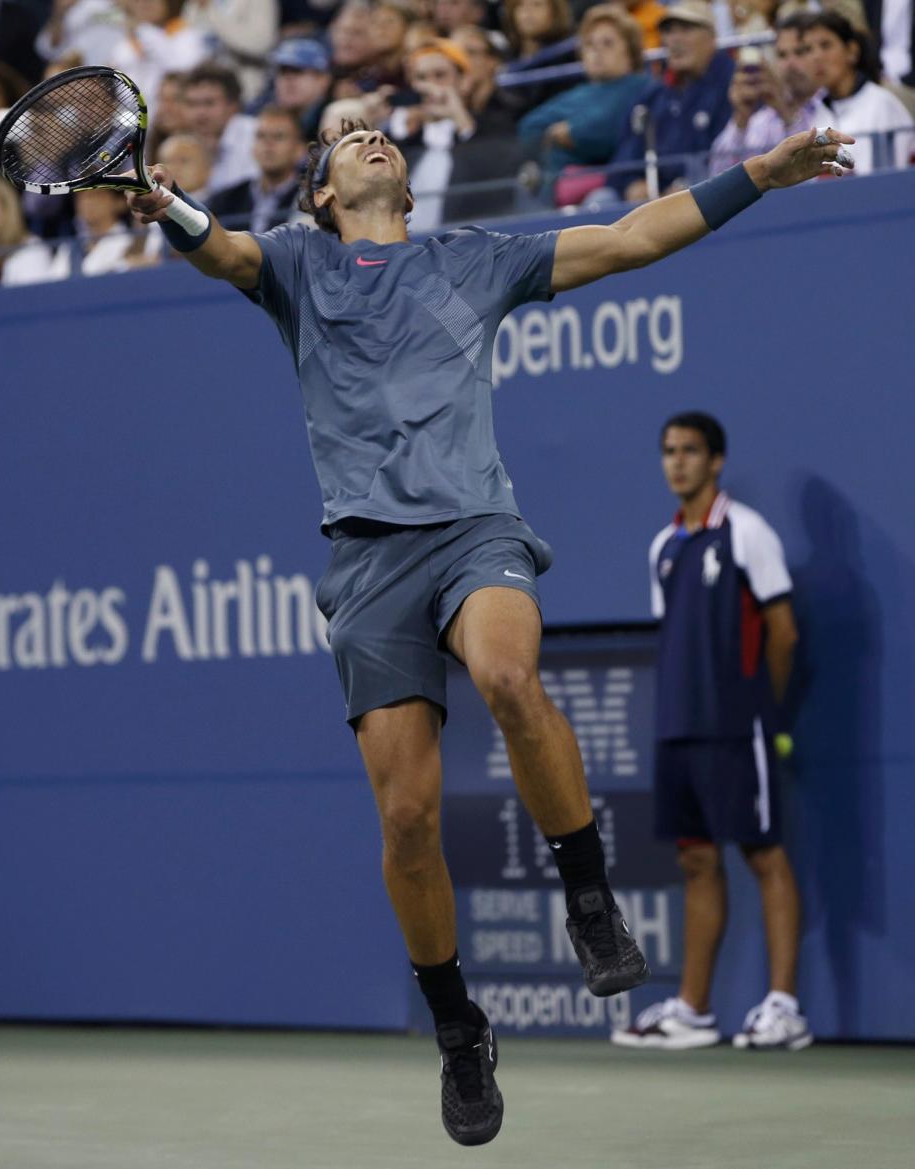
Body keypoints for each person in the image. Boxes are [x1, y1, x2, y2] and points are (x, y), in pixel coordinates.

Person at [124, 110, 852, 1144]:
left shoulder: (476, 259)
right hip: (369, 562)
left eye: (383, 133)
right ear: (324, 193)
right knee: (410, 819)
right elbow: (223, 247)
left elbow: (635, 234)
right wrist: (174, 209)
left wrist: (761, 175)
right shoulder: (292, 264)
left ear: (411, 190)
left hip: (474, 528)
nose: (372, 136)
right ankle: (460, 1024)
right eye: (349, 138)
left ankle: (588, 892)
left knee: (511, 677)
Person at [611, 412, 811, 1052]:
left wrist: (765, 715)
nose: (677, 462)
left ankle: (785, 1008)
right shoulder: (662, 548)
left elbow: (783, 634)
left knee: (763, 854)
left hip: (737, 725)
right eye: (668, 451)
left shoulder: (748, 533)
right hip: (678, 728)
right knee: (697, 860)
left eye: (690, 451)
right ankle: (694, 1011)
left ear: (716, 460)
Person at [385, 38, 526, 231]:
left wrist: (461, 120)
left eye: (440, 76)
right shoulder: (402, 137)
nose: (430, 86)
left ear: (464, 82)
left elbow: (498, 177)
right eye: (421, 78)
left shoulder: (494, 124)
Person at [609, 0, 735, 201]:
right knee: (600, 200)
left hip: (712, 197)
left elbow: (731, 156)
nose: (674, 40)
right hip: (653, 203)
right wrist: (631, 183)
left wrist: (689, 183)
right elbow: (624, 159)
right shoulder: (653, 95)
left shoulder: (734, 83)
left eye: (686, 29)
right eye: (668, 31)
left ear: (711, 36)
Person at [518, 6, 653, 178]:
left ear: (630, 51)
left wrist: (568, 132)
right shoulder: (578, 92)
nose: (596, 51)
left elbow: (604, 134)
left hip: (614, 185)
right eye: (589, 44)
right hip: (558, 185)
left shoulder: (642, 87)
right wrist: (565, 135)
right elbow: (529, 127)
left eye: (608, 43)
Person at [709, 13, 832, 171]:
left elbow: (815, 170)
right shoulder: (762, 119)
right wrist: (741, 119)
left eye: (800, 52)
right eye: (782, 55)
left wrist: (785, 113)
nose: (790, 63)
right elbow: (718, 174)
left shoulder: (833, 105)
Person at [802, 9, 914, 171]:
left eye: (825, 45)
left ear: (852, 51)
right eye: (808, 49)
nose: (816, 56)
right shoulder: (817, 112)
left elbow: (890, 180)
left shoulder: (881, 104)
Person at [209, 107, 306, 231]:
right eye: (261, 136)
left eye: (278, 137)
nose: (268, 144)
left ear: (299, 149)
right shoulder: (226, 199)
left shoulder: (310, 200)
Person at [180, 63, 258, 195]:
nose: (200, 113)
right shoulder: (188, 142)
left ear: (233, 105)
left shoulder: (255, 134)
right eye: (192, 104)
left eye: (209, 103)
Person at [270, 37, 333, 140]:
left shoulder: (335, 120)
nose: (288, 78)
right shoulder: (267, 115)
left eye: (297, 71)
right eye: (283, 71)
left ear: (323, 80)